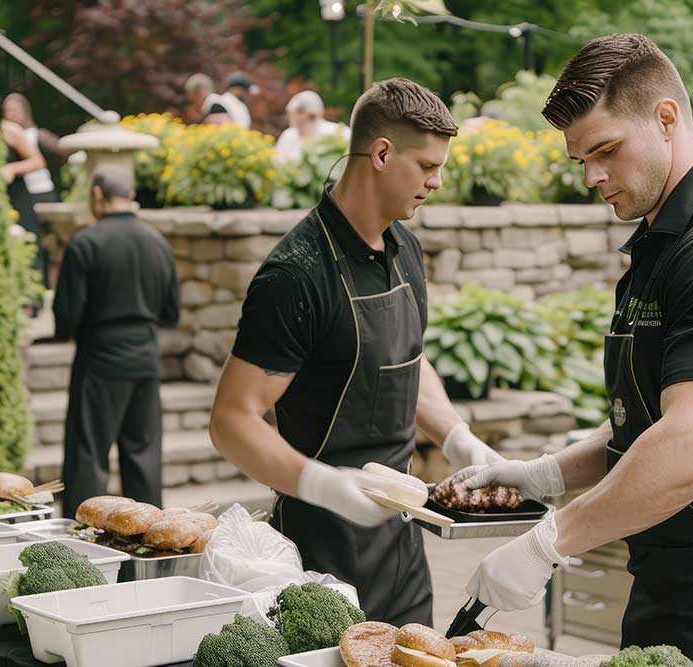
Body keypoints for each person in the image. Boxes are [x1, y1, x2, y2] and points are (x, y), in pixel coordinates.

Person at [459, 34, 693, 666]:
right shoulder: (663, 243)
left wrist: (548, 543)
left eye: (605, 150)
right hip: (669, 585)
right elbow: (647, 424)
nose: (592, 176)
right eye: (581, 159)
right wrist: (544, 476)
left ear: (665, 119)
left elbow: (692, 445)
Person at [210, 78, 502, 625]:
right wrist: (324, 485)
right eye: (427, 167)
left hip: (404, 560)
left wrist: (457, 437)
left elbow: (404, 358)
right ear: (383, 154)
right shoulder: (295, 275)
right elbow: (231, 420)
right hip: (313, 566)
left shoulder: (405, 248)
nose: (437, 182)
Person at [54, 164, 180, 519]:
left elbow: (67, 317)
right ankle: (150, 538)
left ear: (97, 194)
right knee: (143, 455)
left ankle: (82, 538)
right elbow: (171, 312)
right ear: (131, 196)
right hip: (145, 357)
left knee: (88, 454)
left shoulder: (86, 242)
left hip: (100, 357)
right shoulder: (158, 242)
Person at [0, 104, 50, 290]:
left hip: (17, 196)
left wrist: (11, 169)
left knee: (29, 245)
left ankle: (34, 293)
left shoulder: (9, 131)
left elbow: (38, 161)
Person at [1, 93, 61, 207]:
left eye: (15, 110)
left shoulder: (35, 134)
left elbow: (56, 152)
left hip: (40, 189)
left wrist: (12, 169)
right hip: (21, 193)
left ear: (25, 111)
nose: (11, 114)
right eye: (8, 111)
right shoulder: (7, 133)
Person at [274, 90, 350, 165]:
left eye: (300, 112)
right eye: (292, 113)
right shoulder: (288, 135)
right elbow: (277, 163)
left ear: (314, 114)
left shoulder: (338, 133)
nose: (295, 117)